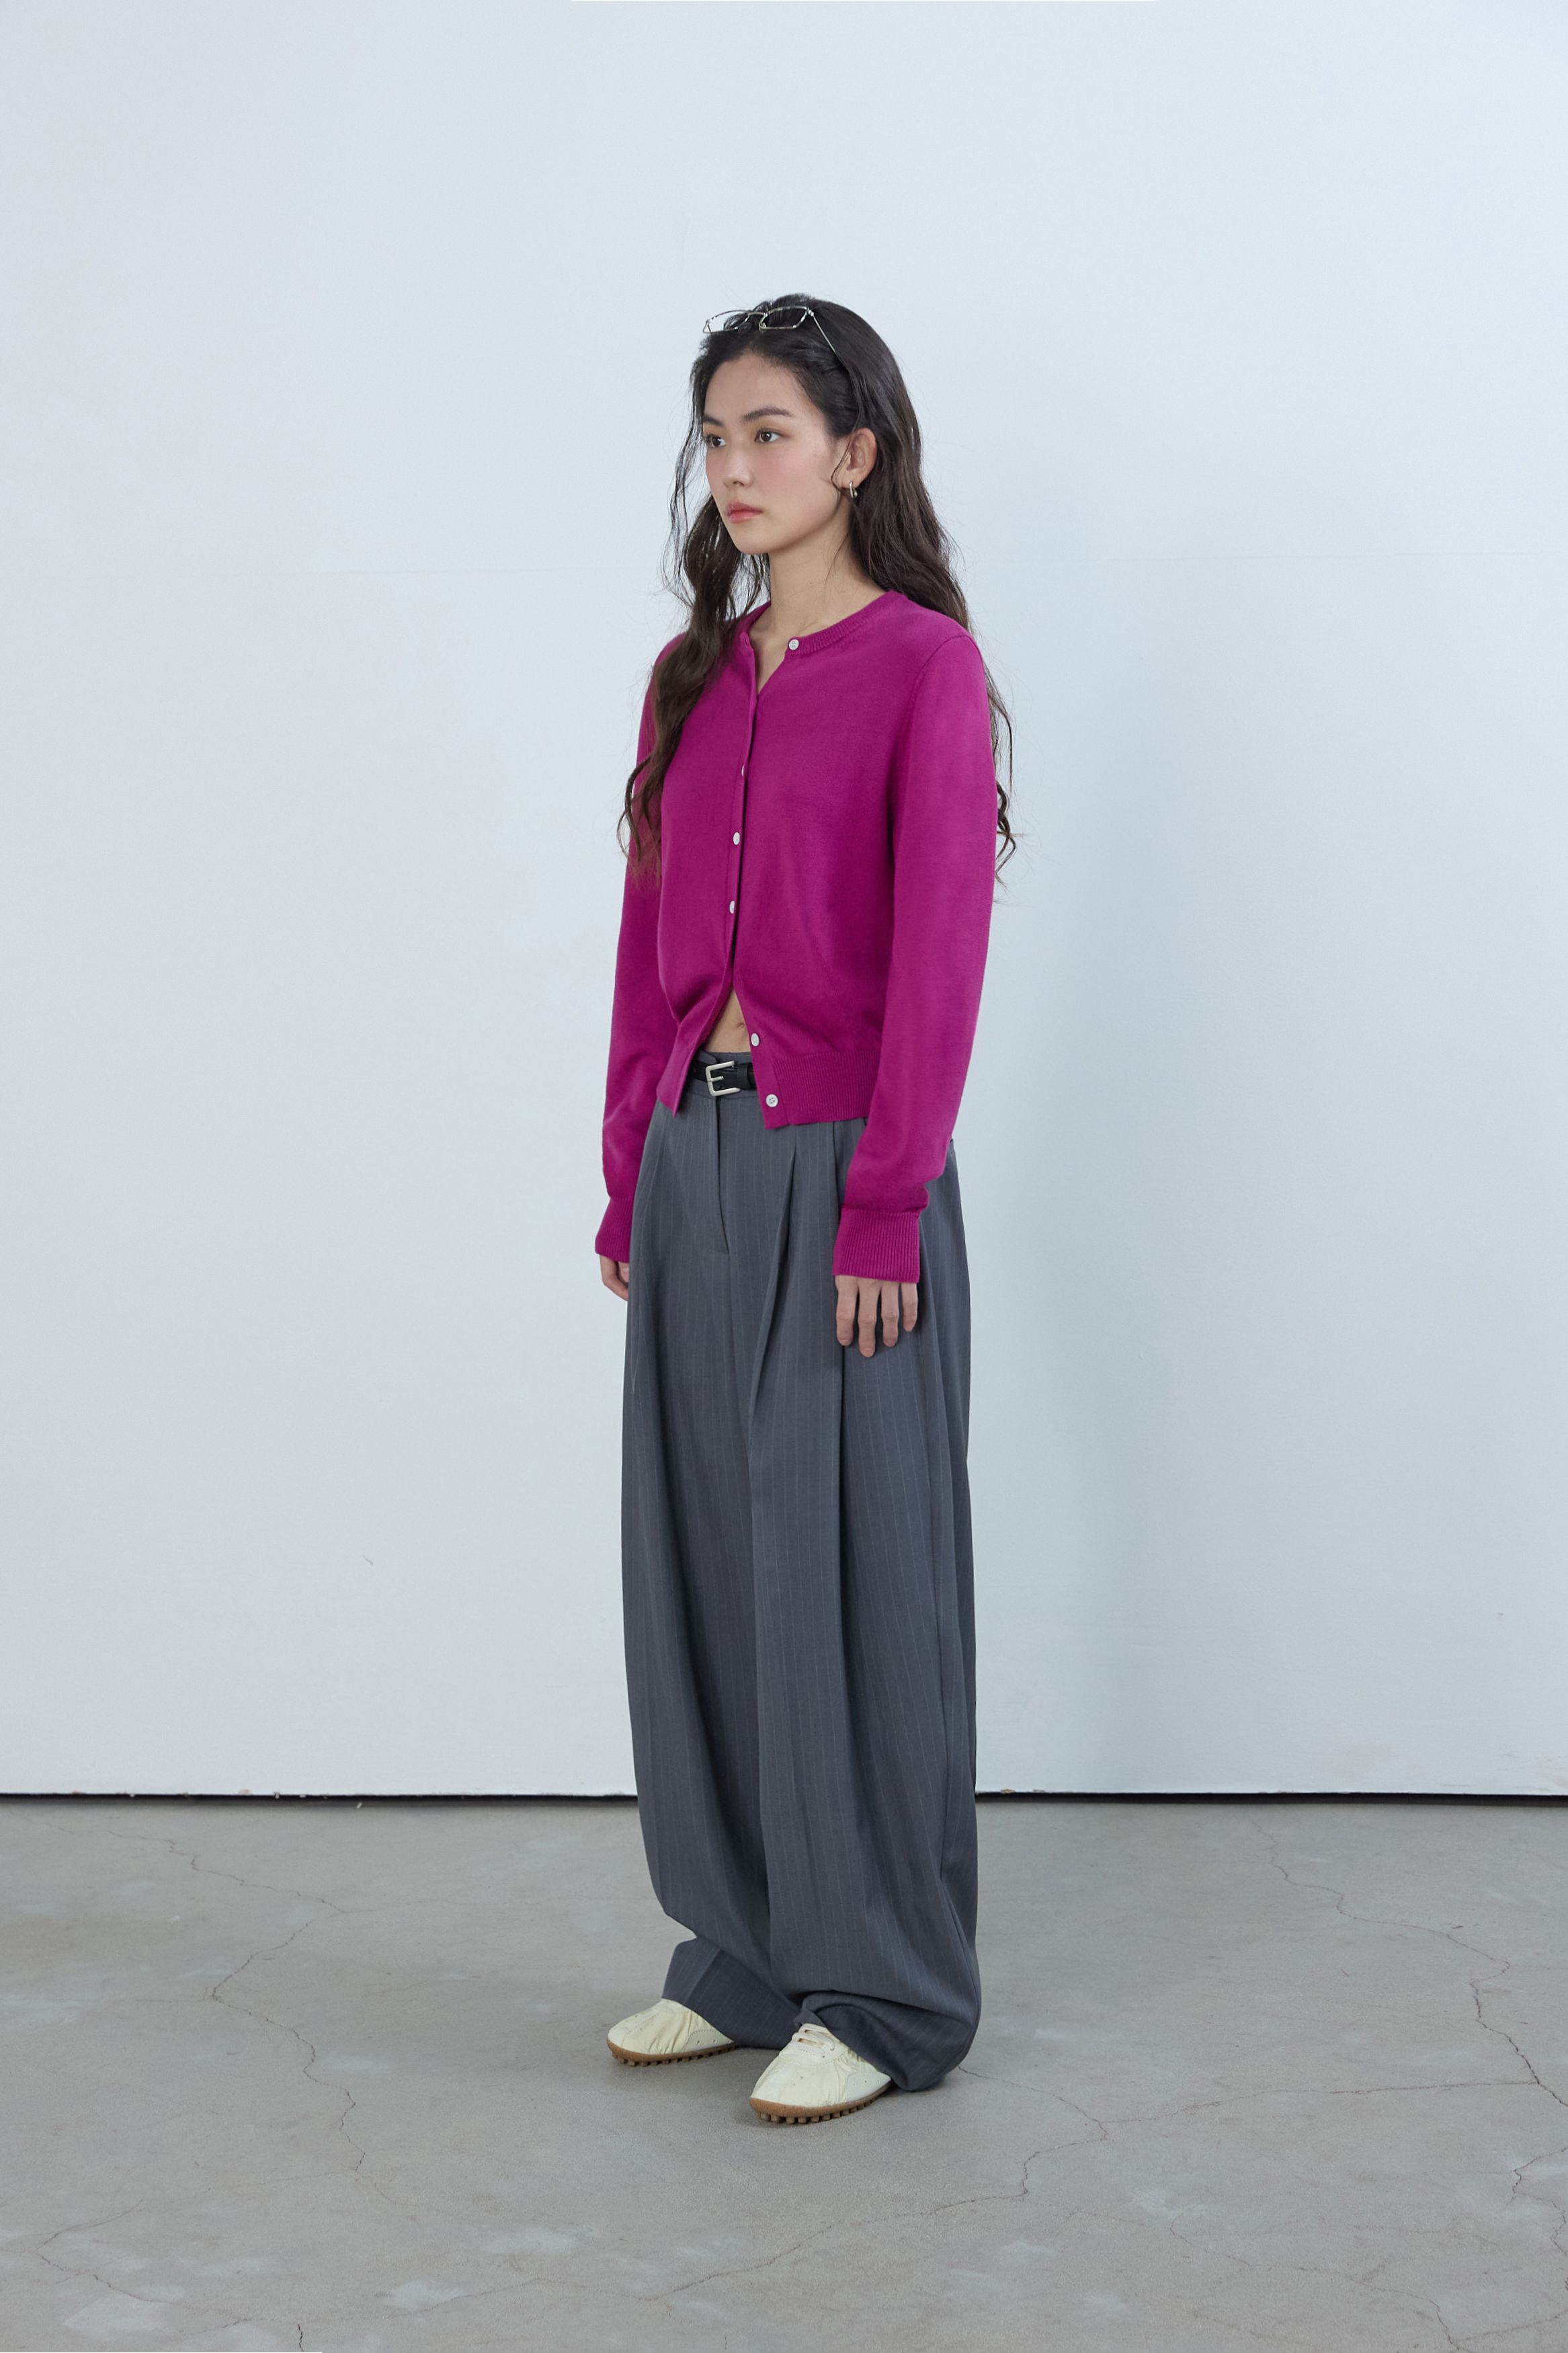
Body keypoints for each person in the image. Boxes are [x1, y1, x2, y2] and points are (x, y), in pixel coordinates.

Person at [593, 295, 1016, 2126]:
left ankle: (886, 1984)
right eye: (715, 437)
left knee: (857, 1577)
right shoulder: (692, 676)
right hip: (698, 1163)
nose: (736, 468)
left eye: (768, 432)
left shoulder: (923, 667)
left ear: (855, 453)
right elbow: (644, 950)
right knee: (704, 1564)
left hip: (845, 1165)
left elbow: (940, 960)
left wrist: (886, 1202)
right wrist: (630, 1171)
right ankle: (746, 1954)